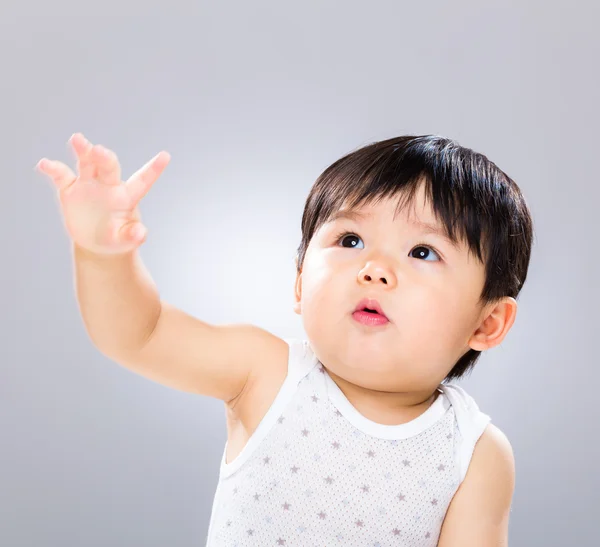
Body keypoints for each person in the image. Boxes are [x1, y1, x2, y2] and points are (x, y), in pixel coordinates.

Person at [36, 132, 534, 546]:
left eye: (423, 252)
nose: (374, 269)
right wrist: (102, 255)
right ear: (300, 284)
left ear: (486, 323)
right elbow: (140, 335)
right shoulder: (264, 374)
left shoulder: (474, 452)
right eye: (350, 240)